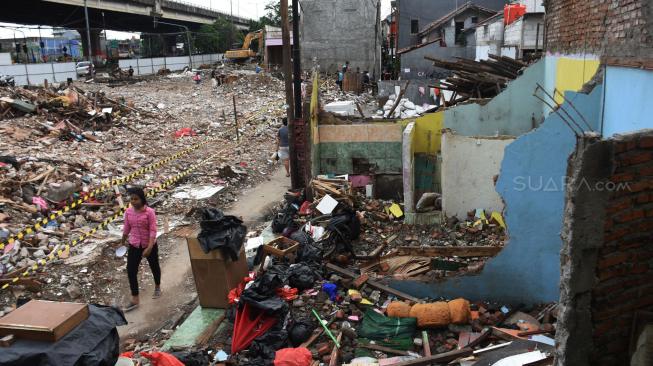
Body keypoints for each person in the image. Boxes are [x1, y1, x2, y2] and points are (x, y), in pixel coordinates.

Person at [121, 187, 161, 311]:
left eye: (136, 199)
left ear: (142, 199)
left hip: (149, 244)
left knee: (154, 265)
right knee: (131, 270)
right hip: (134, 244)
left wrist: (149, 247)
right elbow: (127, 228)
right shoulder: (128, 212)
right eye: (132, 199)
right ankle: (135, 299)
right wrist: (122, 241)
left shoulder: (149, 212)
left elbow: (153, 230)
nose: (133, 201)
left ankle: (157, 286)